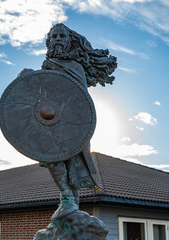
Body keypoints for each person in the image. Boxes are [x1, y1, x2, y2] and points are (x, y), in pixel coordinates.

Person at [40, 23, 117, 219]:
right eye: (54, 36)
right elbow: (41, 95)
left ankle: (70, 206)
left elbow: (80, 97)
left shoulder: (75, 67)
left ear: (69, 41)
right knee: (52, 158)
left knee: (74, 168)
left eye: (62, 36)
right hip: (51, 121)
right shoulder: (46, 65)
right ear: (49, 41)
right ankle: (66, 200)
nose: (58, 39)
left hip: (73, 123)